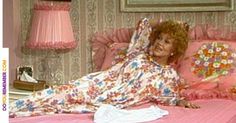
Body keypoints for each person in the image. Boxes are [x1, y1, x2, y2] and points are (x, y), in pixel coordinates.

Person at [10, 18, 199, 118]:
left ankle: (10, 110)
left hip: (112, 99)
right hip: (96, 84)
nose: (160, 44)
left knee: (59, 105)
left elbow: (170, 97)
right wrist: (174, 26)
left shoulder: (168, 76)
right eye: (159, 38)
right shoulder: (139, 54)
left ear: (175, 50)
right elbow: (144, 23)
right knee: (58, 92)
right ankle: (7, 108)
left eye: (167, 42)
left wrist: (181, 102)